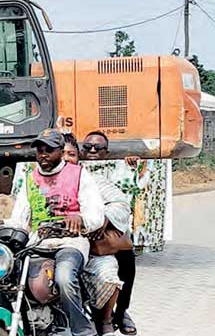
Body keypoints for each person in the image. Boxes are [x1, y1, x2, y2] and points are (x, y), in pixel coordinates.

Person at [0, 129, 106, 336]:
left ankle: (83, 331)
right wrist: (2, 224)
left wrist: (80, 219)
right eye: (39, 150)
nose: (43, 155)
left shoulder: (79, 174)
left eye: (49, 150)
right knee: (2, 277)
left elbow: (96, 213)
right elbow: (21, 216)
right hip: (38, 243)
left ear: (61, 152)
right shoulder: (31, 179)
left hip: (70, 243)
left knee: (63, 277)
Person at [64, 133, 126, 335]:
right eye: (61, 154)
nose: (65, 159)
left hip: (88, 248)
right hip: (48, 247)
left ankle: (108, 319)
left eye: (70, 154)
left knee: (110, 274)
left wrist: (103, 219)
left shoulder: (91, 180)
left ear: (77, 156)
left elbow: (121, 203)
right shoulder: (37, 180)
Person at [80, 131, 139, 335]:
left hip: (107, 233)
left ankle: (120, 312)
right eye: (88, 147)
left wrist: (102, 221)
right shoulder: (73, 173)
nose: (93, 151)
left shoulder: (116, 170)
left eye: (98, 147)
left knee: (126, 260)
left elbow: (123, 200)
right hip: (77, 234)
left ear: (107, 152)